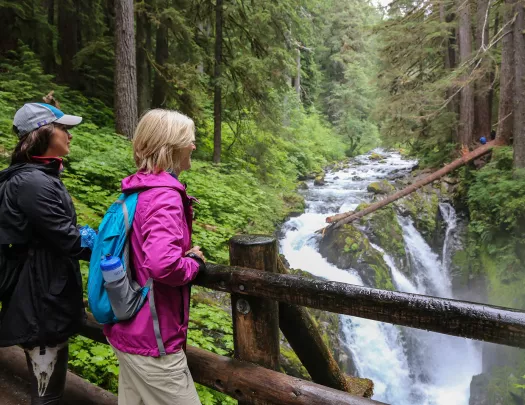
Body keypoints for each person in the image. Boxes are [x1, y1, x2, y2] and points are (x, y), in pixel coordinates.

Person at [104, 109, 206, 405]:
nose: (193, 146)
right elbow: (163, 264)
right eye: (190, 140)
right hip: (153, 338)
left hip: (128, 328)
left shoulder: (139, 188)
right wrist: (193, 263)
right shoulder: (164, 195)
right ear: (172, 145)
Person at [0, 102, 91, 404]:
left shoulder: (37, 176)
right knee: (47, 396)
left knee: (48, 391)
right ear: (42, 133)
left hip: (42, 296)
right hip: (40, 303)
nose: (70, 135)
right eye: (63, 128)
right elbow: (69, 241)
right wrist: (108, 243)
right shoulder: (33, 182)